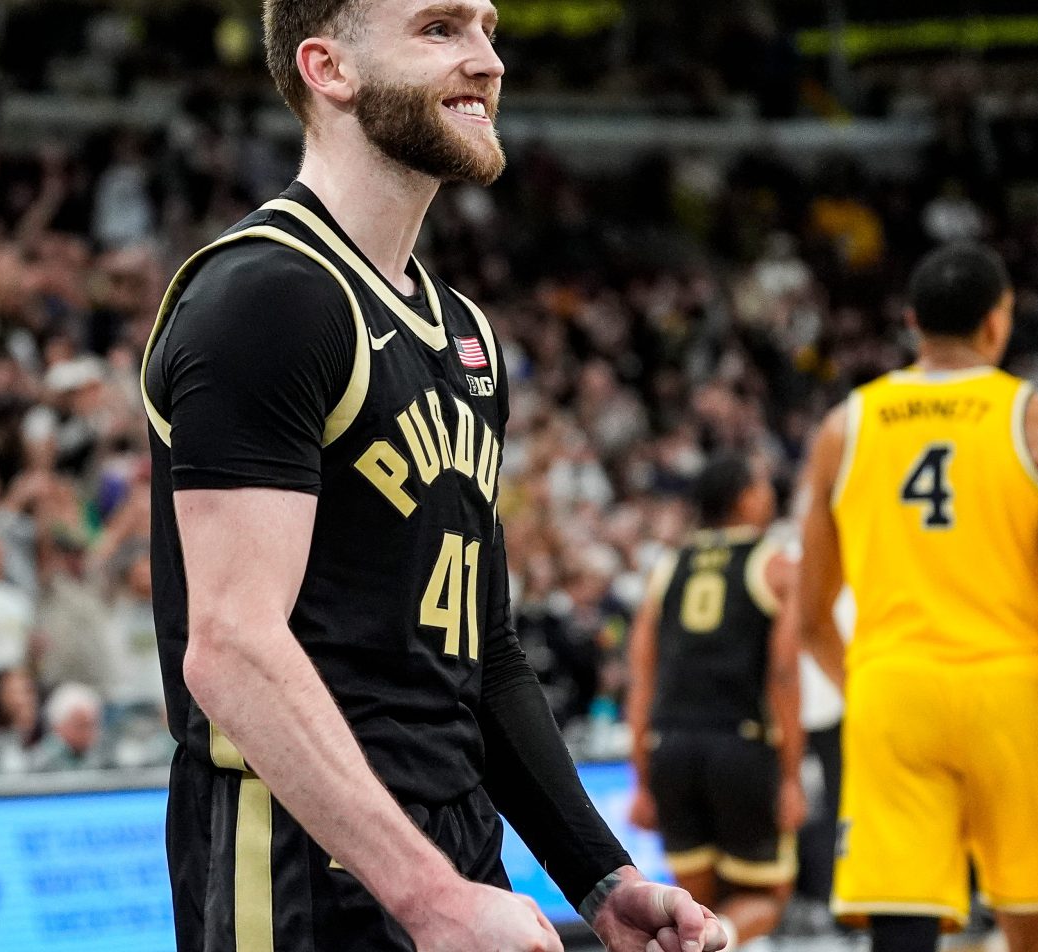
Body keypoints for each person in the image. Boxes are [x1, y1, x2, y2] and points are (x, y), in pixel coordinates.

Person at [139, 2, 723, 950]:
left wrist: (599, 876)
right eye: (440, 30)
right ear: (331, 70)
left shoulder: (469, 334)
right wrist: (428, 897)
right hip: (297, 864)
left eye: (488, 29)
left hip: (453, 845)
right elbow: (231, 646)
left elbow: (484, 654)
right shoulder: (266, 296)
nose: (488, 60)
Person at [797, 243, 1038, 952]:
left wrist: (870, 687)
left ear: (914, 323)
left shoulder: (843, 428)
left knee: (903, 930)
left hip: (894, 690)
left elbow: (809, 614)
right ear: (996, 324)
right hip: (1012, 696)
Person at [626, 453, 803, 949]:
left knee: (690, 904)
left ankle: (707, 938)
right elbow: (785, 677)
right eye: (762, 484)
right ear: (745, 497)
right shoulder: (776, 565)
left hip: (673, 748)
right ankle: (721, 937)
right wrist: (791, 777)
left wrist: (641, 779)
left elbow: (641, 680)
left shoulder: (666, 567)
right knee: (766, 896)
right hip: (742, 746)